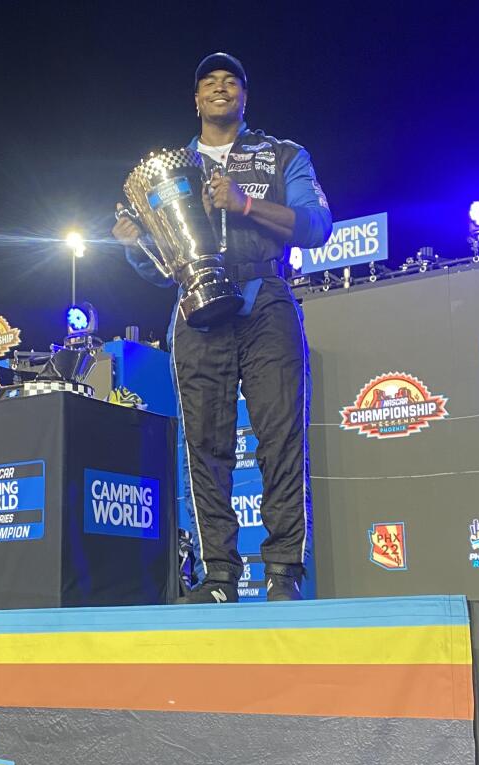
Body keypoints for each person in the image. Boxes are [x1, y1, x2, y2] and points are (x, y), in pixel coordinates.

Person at [113, 52, 331, 603]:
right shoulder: (168, 167)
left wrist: (245, 203)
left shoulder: (283, 154)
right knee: (205, 449)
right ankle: (218, 577)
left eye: (229, 80)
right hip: (195, 307)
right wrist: (134, 243)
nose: (219, 88)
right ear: (195, 99)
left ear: (243, 95)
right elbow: (160, 268)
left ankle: (284, 574)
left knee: (280, 439)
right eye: (208, 81)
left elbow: (316, 225)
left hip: (265, 302)